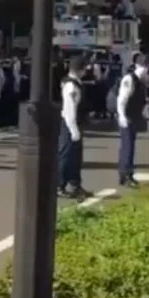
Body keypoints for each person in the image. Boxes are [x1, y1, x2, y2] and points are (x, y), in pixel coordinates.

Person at [114, 55, 149, 188]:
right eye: (144, 66)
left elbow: (143, 102)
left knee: (130, 146)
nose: (146, 70)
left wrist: (148, 119)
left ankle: (127, 174)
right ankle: (125, 174)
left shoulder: (141, 81)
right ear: (138, 66)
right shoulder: (129, 79)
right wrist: (122, 116)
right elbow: (121, 99)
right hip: (127, 117)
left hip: (134, 117)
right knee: (127, 146)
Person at [58, 55, 89, 198]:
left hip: (76, 124)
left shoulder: (75, 83)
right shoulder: (70, 86)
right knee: (66, 156)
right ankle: (60, 185)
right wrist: (73, 129)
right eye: (84, 68)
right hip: (70, 124)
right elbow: (70, 109)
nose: (86, 70)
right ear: (79, 69)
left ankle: (74, 184)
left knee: (76, 157)